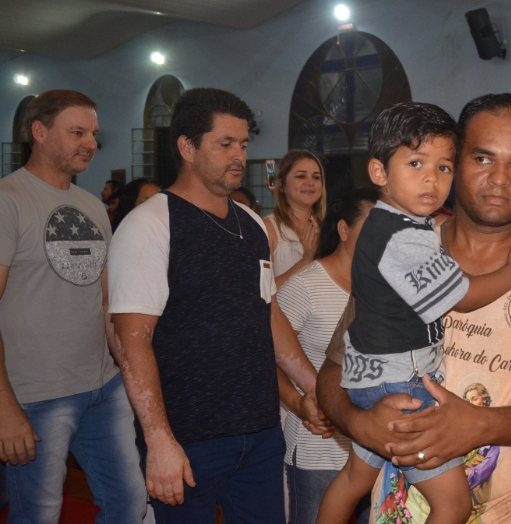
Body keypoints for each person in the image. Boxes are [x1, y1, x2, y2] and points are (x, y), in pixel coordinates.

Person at [316, 93, 511, 523]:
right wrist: (358, 422)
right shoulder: (405, 250)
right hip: (396, 512)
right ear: (456, 161)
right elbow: (335, 369)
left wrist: (481, 425)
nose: (499, 178)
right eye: (482, 159)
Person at [107, 88, 321, 523]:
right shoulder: (150, 224)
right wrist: (158, 439)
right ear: (187, 147)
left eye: (243, 144)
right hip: (188, 439)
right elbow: (132, 339)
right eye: (225, 144)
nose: (239, 155)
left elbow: (269, 312)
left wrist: (313, 385)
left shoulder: (252, 224)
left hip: (260, 431)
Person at [0, 90, 146, 522]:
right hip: (35, 395)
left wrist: (130, 376)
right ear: (39, 132)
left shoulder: (92, 207)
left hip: (104, 387)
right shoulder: (9, 200)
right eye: (78, 132)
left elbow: (104, 303)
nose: (91, 144)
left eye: (94, 134)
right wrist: (4, 408)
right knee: (40, 513)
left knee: (128, 502)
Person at [276, 187, 379, 524]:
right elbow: (267, 355)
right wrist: (296, 401)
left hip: (371, 448)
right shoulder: (306, 286)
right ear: (344, 230)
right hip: (317, 447)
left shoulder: (386, 289)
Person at [265, 150, 327, 289]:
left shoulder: (328, 226)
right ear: (281, 186)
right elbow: (263, 291)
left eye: (316, 177)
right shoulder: (269, 228)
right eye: (301, 176)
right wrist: (306, 260)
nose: (310, 182)